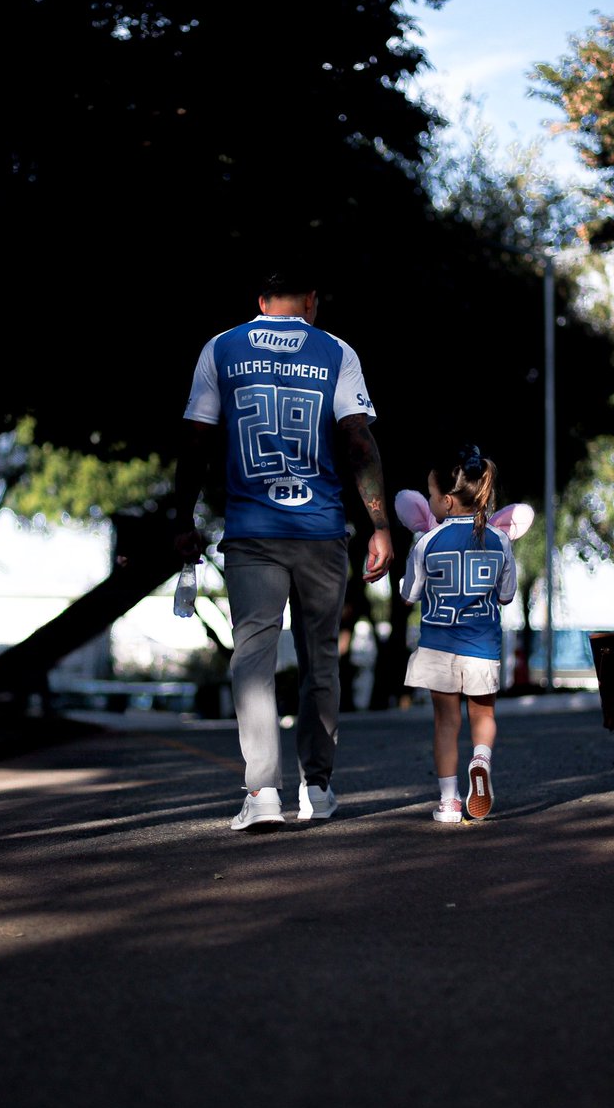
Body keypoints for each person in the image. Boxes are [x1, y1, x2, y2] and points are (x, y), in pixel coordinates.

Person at [173, 265, 393, 832]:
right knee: (321, 661)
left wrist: (182, 518)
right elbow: (358, 440)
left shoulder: (221, 348)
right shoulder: (336, 352)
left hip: (252, 531)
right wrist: (380, 525)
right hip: (320, 531)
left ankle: (262, 792)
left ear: (261, 299)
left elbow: (196, 438)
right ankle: (316, 788)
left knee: (253, 658)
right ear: (312, 300)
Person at [399, 445, 517, 823]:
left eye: (432, 495)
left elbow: (409, 594)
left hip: (438, 646)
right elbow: (506, 594)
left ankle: (449, 802)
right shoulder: (499, 541)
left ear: (447, 501)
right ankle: (480, 760)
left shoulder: (427, 542)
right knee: (483, 715)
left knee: (445, 723)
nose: (430, 501)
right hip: (481, 646)